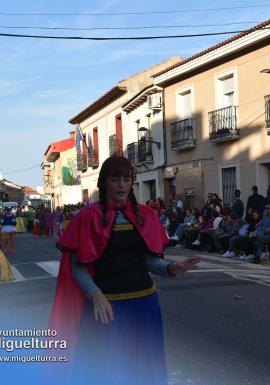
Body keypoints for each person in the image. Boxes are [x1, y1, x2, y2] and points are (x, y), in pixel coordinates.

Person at [49, 156, 200, 385]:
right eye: (115, 179)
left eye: (126, 179)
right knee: (106, 371)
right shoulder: (87, 217)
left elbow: (148, 260)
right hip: (106, 308)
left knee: (146, 368)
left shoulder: (146, 215)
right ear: (104, 182)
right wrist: (95, 295)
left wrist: (170, 268)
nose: (121, 185)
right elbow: (76, 267)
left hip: (145, 305)